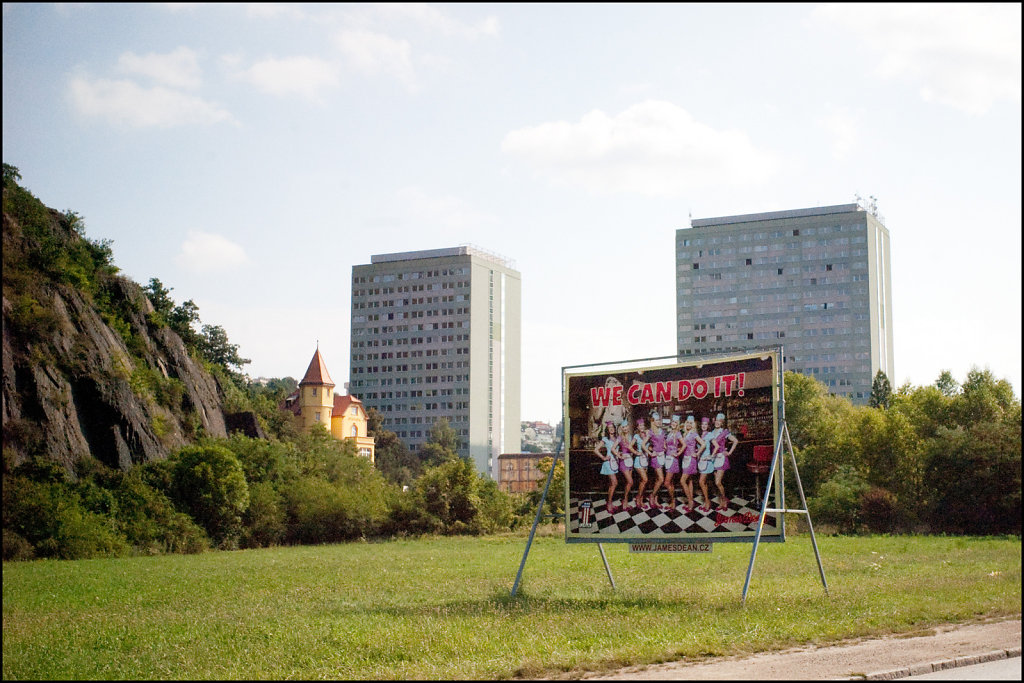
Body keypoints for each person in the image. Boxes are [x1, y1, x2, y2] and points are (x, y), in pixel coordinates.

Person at [708, 412, 738, 512]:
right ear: (714, 421)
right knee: (717, 483)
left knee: (718, 482)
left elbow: (735, 441)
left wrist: (729, 452)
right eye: (716, 420)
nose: (717, 422)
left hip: (722, 459)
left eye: (720, 421)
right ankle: (721, 500)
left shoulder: (725, 432)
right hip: (714, 459)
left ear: (722, 423)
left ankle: (724, 500)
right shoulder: (711, 433)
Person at [678, 415, 705, 512]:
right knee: (689, 480)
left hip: (691, 459)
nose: (688, 424)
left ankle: (690, 501)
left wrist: (697, 453)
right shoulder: (685, 433)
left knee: (682, 481)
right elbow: (685, 446)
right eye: (687, 423)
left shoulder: (694, 434)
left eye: (690, 423)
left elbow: (703, 444)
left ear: (693, 425)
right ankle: (691, 499)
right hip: (685, 459)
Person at [594, 421, 620, 513]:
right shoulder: (605, 439)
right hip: (608, 463)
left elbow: (616, 450)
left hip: (615, 463)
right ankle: (609, 504)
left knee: (611, 484)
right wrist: (603, 457)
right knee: (614, 483)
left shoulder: (617, 438)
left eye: (612, 427)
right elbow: (596, 450)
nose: (611, 429)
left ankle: (610, 502)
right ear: (607, 430)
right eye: (609, 428)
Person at [662, 415, 684, 511]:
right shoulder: (670, 433)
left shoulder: (678, 433)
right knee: (670, 482)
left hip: (673, 460)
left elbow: (684, 445)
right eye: (673, 422)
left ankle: (673, 501)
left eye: (675, 422)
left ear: (677, 424)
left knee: (666, 483)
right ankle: (672, 502)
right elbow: (667, 445)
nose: (673, 424)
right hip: (667, 458)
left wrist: (678, 453)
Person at [630, 418, 652, 510]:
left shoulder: (647, 434)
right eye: (640, 426)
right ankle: (638, 497)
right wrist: (636, 452)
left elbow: (650, 446)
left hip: (646, 460)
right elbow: (630, 446)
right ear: (638, 427)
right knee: (645, 479)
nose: (642, 427)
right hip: (638, 461)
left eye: (643, 425)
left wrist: (651, 450)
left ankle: (641, 499)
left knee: (642, 481)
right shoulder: (636, 436)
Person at [646, 411, 666, 509]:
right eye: (656, 420)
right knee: (661, 479)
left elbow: (663, 442)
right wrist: (650, 452)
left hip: (662, 456)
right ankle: (652, 496)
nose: (658, 422)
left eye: (659, 420)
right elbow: (643, 445)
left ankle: (656, 499)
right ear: (653, 421)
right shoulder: (650, 432)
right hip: (655, 458)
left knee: (658, 479)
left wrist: (665, 447)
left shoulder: (662, 431)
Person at [696, 416, 715, 513]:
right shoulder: (700, 435)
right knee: (704, 483)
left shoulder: (710, 434)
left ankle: (707, 502)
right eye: (702, 424)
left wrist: (711, 456)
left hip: (707, 461)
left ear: (708, 426)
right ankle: (706, 501)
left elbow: (717, 446)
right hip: (701, 461)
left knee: (701, 482)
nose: (704, 426)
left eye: (706, 424)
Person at [615, 420, 636, 510]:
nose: (625, 428)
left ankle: (625, 500)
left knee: (628, 483)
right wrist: (619, 455)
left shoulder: (631, 436)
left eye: (626, 426)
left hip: (630, 460)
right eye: (623, 427)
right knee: (630, 482)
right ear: (621, 429)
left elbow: (633, 448)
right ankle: (625, 500)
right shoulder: (620, 437)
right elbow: (613, 448)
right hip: (623, 462)